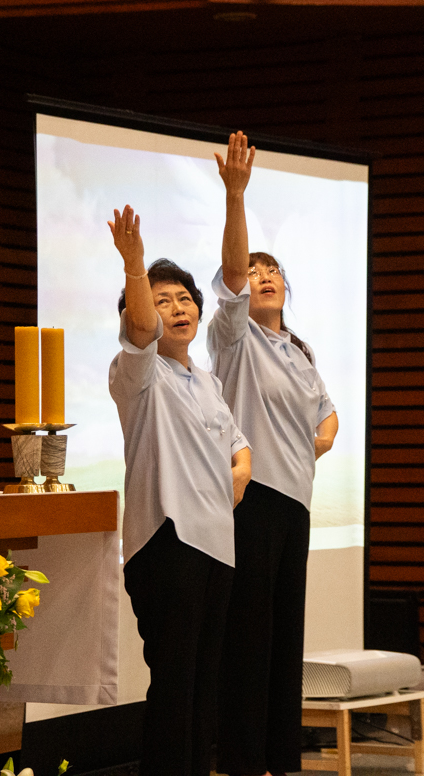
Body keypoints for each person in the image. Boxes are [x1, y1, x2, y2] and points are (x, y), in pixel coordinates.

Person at [209, 133, 339, 776]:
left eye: (273, 270)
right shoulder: (235, 338)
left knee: (286, 638)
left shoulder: (300, 351)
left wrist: (322, 438)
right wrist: (236, 195)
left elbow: (327, 412)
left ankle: (279, 759)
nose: (263, 277)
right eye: (256, 272)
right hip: (252, 500)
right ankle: (242, 760)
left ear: (288, 285)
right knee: (249, 639)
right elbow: (232, 277)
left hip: (295, 504)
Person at [107, 204, 253, 776]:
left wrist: (241, 469)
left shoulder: (207, 380)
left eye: (185, 299)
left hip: (217, 546)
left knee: (203, 685)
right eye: (163, 300)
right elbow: (142, 330)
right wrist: (134, 265)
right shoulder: (137, 374)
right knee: (174, 684)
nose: (178, 309)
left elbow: (238, 443)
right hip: (167, 543)